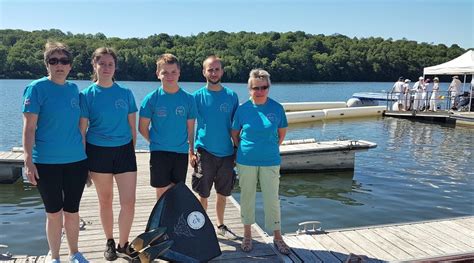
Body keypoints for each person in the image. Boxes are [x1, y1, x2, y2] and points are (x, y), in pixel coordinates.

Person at [22, 41, 89, 263]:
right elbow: (29, 127)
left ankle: (74, 253)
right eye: (54, 61)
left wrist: (86, 161)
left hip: (76, 161)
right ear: (47, 64)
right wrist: (28, 160)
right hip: (46, 162)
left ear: (70, 66)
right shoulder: (36, 89)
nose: (59, 65)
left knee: (72, 211)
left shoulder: (73, 90)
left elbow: (81, 129)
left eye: (64, 61)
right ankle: (56, 257)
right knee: (53, 212)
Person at [79, 47, 138, 261]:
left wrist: (129, 151)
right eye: (101, 64)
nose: (106, 68)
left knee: (128, 202)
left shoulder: (125, 93)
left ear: (115, 67)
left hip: (124, 152)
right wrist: (84, 161)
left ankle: (124, 244)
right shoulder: (86, 95)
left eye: (110, 64)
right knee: (105, 200)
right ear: (94, 66)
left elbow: (132, 128)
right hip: (97, 152)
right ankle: (110, 241)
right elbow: (82, 130)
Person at [231, 69, 290, 255]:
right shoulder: (243, 109)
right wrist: (246, 148)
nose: (260, 91)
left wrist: (268, 147)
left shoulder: (277, 108)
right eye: (256, 88)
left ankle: (278, 237)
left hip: (270, 161)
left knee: (272, 199)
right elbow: (235, 134)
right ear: (249, 89)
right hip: (246, 160)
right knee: (247, 197)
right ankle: (248, 235)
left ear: (268, 88)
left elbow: (281, 133)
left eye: (264, 87)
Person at [191, 56, 239, 239]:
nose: (213, 73)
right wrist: (190, 152)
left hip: (227, 153)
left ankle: (221, 225)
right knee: (203, 194)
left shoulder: (231, 96)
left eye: (217, 69)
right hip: (205, 152)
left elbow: (237, 128)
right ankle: (201, 226)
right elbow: (189, 125)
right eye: (210, 69)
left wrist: (238, 150)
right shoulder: (196, 97)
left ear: (222, 71)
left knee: (222, 193)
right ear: (204, 72)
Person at [139, 54, 197, 200]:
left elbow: (191, 129)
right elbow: (142, 128)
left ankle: (174, 221)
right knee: (162, 190)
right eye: (165, 72)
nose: (169, 76)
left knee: (177, 190)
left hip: (180, 151)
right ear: (158, 74)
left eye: (173, 72)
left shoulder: (188, 99)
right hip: (159, 151)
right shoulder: (151, 99)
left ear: (179, 73)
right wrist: (155, 141)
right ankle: (162, 221)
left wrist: (191, 150)